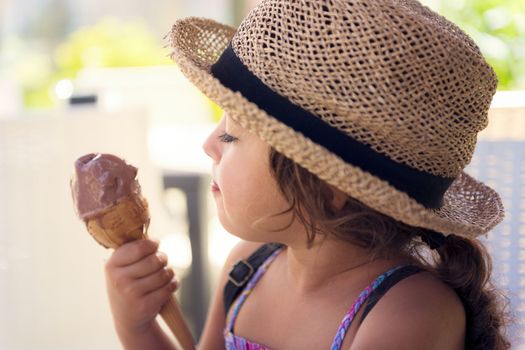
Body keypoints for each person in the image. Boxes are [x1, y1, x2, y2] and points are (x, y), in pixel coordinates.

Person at [104, 0, 511, 349]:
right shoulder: (248, 265)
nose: (209, 144)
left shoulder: (409, 313)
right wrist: (137, 327)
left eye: (232, 134)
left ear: (329, 185)